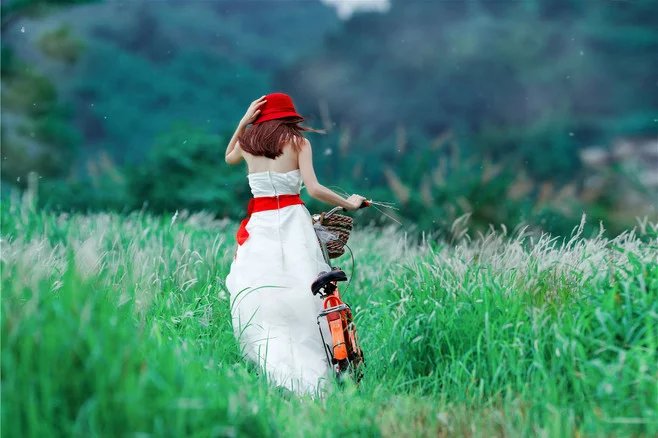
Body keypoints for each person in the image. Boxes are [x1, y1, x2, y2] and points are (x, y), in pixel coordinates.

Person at [224, 92, 367, 396]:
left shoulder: (248, 144)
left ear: (259, 116)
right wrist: (349, 203)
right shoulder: (299, 143)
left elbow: (228, 157)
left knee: (262, 292)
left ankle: (269, 358)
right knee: (304, 290)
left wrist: (243, 122)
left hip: (260, 226)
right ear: (290, 116)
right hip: (292, 223)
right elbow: (313, 189)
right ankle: (318, 362)